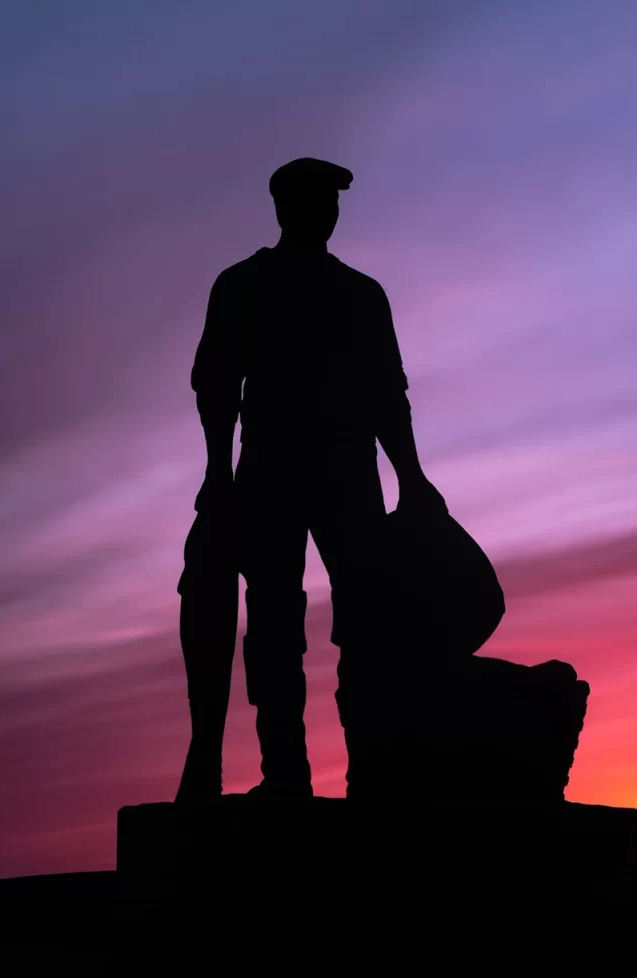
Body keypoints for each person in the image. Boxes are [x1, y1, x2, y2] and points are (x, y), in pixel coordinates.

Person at [189, 157, 445, 798]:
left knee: (365, 621)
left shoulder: (361, 294)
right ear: (285, 209)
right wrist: (218, 473)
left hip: (348, 473)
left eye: (333, 202)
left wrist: (411, 475)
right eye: (317, 200)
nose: (328, 212)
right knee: (275, 618)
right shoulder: (244, 286)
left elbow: (389, 392)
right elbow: (217, 386)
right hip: (272, 471)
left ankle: (373, 773)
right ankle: (286, 774)